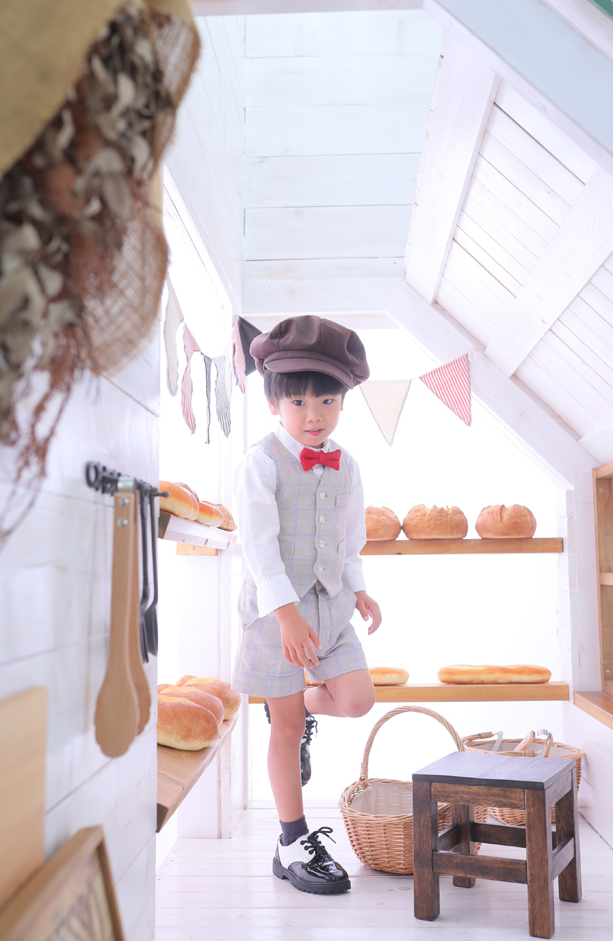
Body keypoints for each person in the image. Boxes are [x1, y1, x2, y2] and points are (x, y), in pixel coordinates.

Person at [231, 315, 382, 895]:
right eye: (298, 401)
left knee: (358, 699)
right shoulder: (262, 461)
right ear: (274, 403)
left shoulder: (348, 464)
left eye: (326, 400)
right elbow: (258, 549)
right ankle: (292, 841)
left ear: (342, 402)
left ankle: (294, 704)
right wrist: (286, 614)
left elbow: (348, 540)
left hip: (332, 609)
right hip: (278, 617)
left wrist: (359, 588)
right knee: (288, 727)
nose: (313, 414)